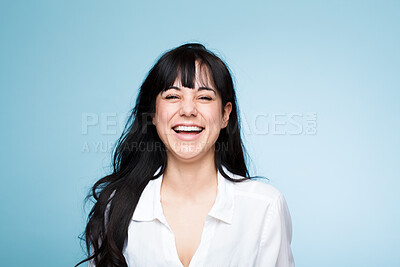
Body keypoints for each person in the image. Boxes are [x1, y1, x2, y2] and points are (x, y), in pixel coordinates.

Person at [76, 43, 294, 267]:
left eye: (204, 98)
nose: (188, 110)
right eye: (172, 96)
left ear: (225, 115)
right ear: (152, 113)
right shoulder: (116, 207)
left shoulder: (265, 207)